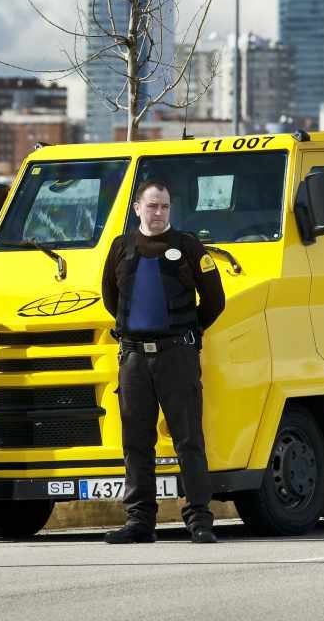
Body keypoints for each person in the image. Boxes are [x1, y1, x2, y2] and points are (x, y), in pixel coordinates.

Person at [100, 179, 226, 544]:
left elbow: (215, 301)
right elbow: (112, 299)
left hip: (177, 357)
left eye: (164, 207)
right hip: (134, 359)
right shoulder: (121, 248)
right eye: (152, 206)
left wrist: (188, 334)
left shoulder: (188, 246)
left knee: (189, 440)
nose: (158, 213)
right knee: (136, 442)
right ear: (137, 208)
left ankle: (200, 519)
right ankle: (140, 522)